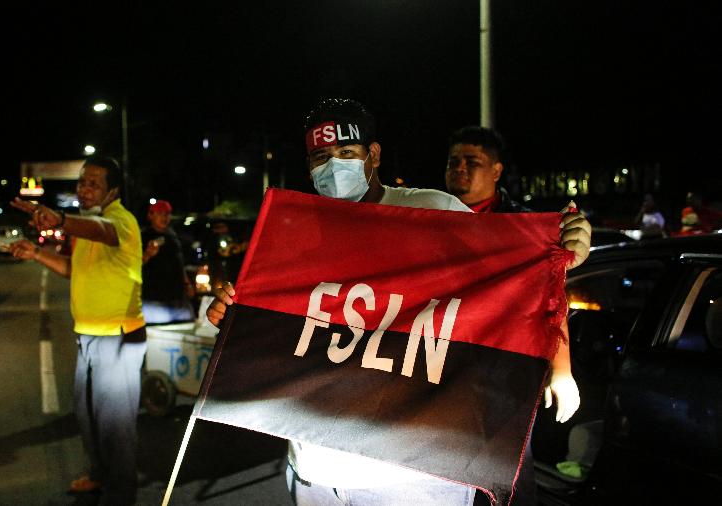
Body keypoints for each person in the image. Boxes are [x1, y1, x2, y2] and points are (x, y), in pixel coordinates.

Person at [207, 98, 591, 505]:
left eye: (346, 153)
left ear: (373, 155)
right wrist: (235, 316)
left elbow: (519, 279)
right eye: (320, 157)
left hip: (411, 471)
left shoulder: (432, 212)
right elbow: (278, 331)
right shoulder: (294, 231)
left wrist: (561, 256)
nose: (333, 166)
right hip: (313, 466)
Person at [443, 125, 590, 505]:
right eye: (453, 161)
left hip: (502, 373)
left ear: (495, 171)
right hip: (440, 366)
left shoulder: (524, 227)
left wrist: (561, 371)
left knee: (506, 476)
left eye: (471, 162)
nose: (459, 168)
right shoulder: (429, 217)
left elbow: (552, 298)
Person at [9, 156, 145, 506]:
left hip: (117, 336)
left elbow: (104, 231)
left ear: (112, 190)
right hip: (88, 336)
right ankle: (100, 475)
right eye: (82, 182)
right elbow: (74, 269)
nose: (84, 190)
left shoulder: (120, 221)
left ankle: (121, 494)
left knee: (116, 424)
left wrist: (61, 220)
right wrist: (37, 253)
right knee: (86, 414)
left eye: (93, 184)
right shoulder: (86, 224)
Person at [141, 199, 195, 323]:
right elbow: (134, 265)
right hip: (153, 302)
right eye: (160, 213)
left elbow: (179, 263)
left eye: (167, 214)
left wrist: (187, 284)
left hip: (178, 299)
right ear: (151, 215)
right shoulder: (143, 236)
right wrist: (147, 254)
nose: (164, 217)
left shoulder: (172, 237)